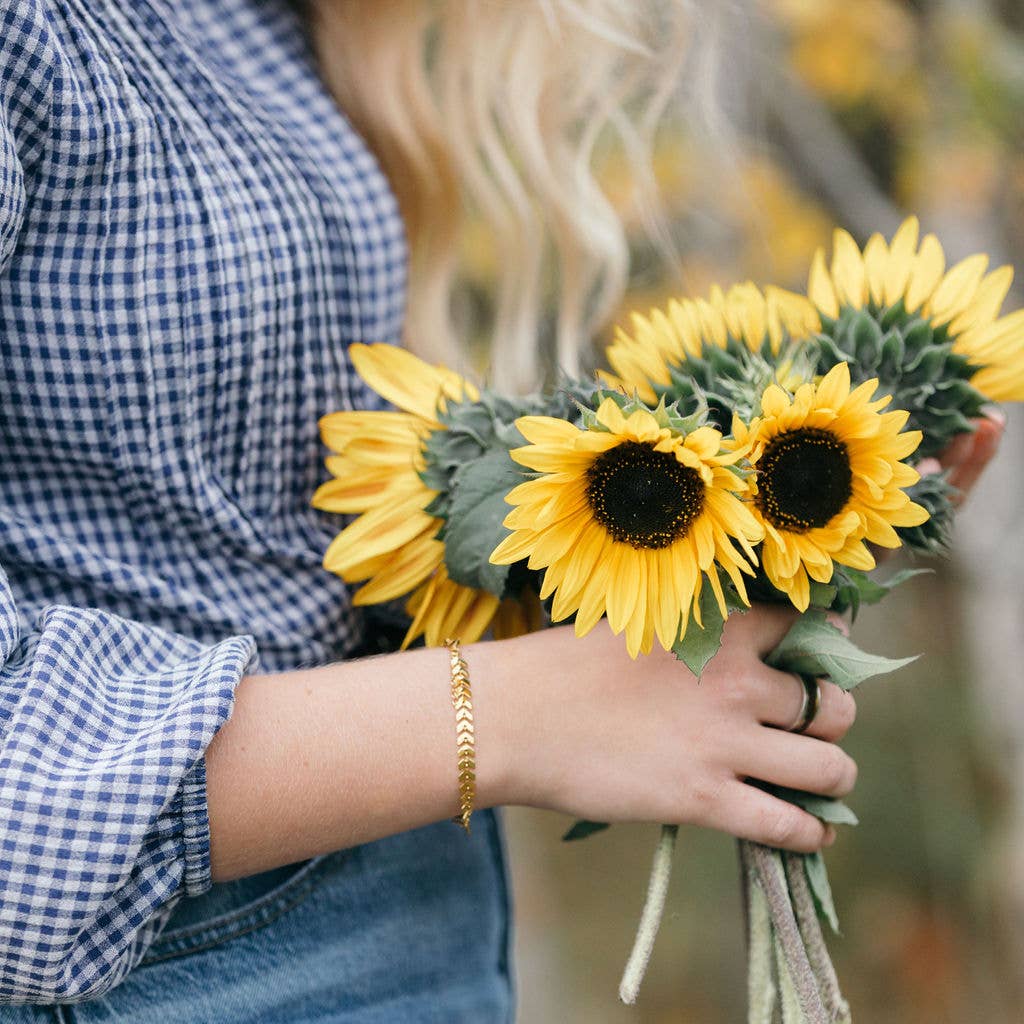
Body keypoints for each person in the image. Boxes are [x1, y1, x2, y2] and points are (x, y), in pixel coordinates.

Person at [0, 0, 1003, 1020]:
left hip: (406, 918)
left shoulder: (245, 20)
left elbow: (211, 526)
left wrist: (728, 551)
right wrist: (526, 711)